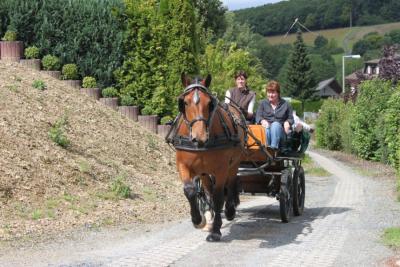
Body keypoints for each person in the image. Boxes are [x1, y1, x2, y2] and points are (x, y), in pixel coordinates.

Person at [256, 80, 294, 151]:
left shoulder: (286, 104)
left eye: (273, 93)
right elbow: (258, 116)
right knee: (266, 128)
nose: (270, 95)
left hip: (281, 134)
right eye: (269, 92)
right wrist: (262, 120)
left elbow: (291, 118)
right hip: (266, 131)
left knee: (275, 125)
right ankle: (266, 149)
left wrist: (287, 122)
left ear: (278, 93)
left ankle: (273, 149)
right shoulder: (262, 103)